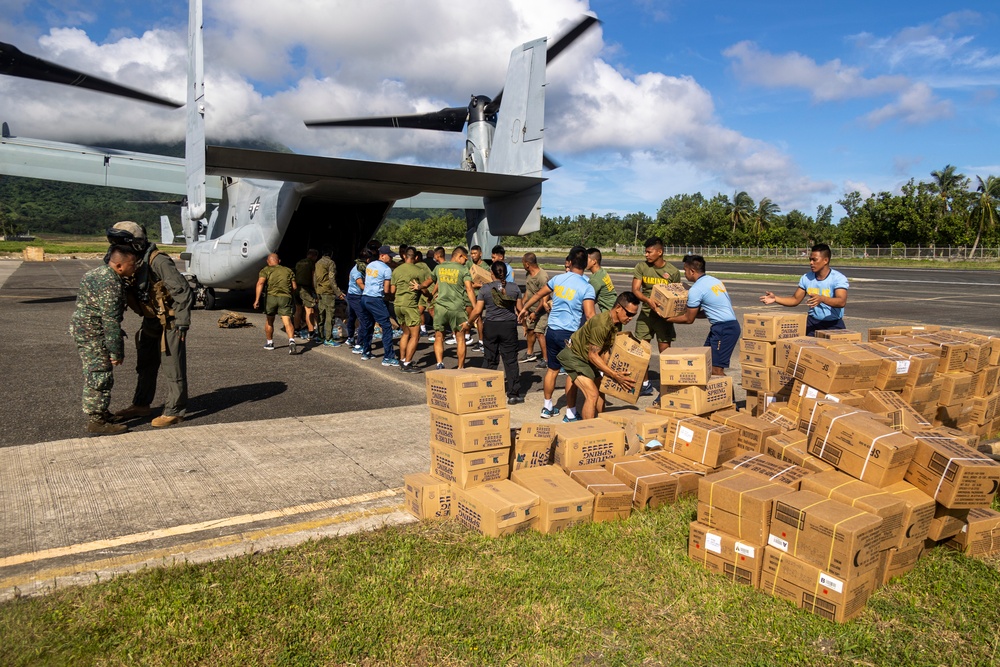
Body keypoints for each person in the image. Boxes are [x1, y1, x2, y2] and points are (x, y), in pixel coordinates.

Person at [109, 221, 194, 429]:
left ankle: (175, 410)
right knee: (145, 364)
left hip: (170, 322)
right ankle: (141, 404)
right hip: (150, 320)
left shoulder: (158, 261)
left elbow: (182, 291)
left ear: (135, 244)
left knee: (171, 365)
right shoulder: (133, 262)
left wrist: (182, 322)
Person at [518, 246, 596, 422]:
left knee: (552, 370)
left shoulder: (558, 279)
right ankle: (570, 412)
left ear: (569, 262)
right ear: (585, 264)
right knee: (571, 373)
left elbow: (539, 294)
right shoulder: (586, 287)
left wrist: (524, 308)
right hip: (570, 335)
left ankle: (547, 407)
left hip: (551, 331)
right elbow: (590, 315)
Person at [71, 245, 139, 435]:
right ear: (119, 266)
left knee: (96, 372)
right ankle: (97, 421)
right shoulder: (111, 283)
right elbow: (110, 321)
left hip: (84, 329)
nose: (134, 268)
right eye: (132, 265)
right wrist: (116, 351)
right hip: (94, 333)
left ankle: (102, 412)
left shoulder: (96, 273)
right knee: (99, 374)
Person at [556, 291, 640, 419]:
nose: (630, 318)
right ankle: (589, 433)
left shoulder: (617, 324)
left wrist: (608, 372)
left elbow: (605, 350)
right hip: (574, 357)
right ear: (618, 308)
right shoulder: (601, 324)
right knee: (592, 395)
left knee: (601, 390)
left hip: (587, 359)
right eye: (629, 314)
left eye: (633, 315)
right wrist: (614, 375)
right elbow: (593, 355)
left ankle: (601, 425)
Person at [664, 255, 741, 377]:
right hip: (726, 326)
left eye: (685, 270)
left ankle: (728, 396)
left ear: (692, 271)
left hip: (724, 329)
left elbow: (689, 319)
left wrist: (667, 319)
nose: (685, 273)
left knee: (716, 370)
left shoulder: (696, 289)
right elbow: (710, 310)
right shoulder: (714, 281)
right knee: (707, 363)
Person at [464, 261, 524, 403]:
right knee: (510, 360)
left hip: (491, 326)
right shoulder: (514, 288)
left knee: (490, 359)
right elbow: (520, 310)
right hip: (508, 326)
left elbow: (478, 311)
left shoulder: (485, 289)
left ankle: (485, 390)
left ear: (491, 274)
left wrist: (468, 323)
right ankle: (513, 394)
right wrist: (526, 323)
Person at [760, 243, 849, 336]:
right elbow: (795, 299)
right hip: (812, 323)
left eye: (814, 260)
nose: (811, 263)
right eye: (810, 259)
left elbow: (841, 301)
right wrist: (775, 299)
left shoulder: (838, 278)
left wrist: (822, 299)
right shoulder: (806, 278)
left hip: (833, 325)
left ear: (825, 260)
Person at [631, 236, 681, 397]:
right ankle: (644, 384)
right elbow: (636, 289)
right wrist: (648, 301)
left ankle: (666, 387)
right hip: (645, 316)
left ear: (660, 252)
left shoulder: (672, 272)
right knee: (642, 351)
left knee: (665, 353)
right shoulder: (641, 267)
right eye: (645, 252)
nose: (646, 255)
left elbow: (676, 295)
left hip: (664, 319)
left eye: (649, 252)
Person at [416, 246, 477, 370]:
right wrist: (476, 309)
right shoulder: (463, 269)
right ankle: (460, 367)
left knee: (439, 336)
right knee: (460, 339)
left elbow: (428, 282)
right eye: (465, 258)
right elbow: (469, 289)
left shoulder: (439, 268)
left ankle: (439, 363)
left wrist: (418, 286)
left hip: (440, 307)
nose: (466, 261)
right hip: (457, 308)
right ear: (459, 256)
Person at [359, 245, 399, 366]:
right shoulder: (387, 269)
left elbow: (367, 281)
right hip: (376, 299)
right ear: (382, 255)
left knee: (368, 325)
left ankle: (366, 351)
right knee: (386, 326)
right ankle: (388, 357)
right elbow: (386, 290)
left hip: (365, 297)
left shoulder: (370, 265)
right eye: (389, 256)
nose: (391, 258)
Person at [391, 247, 428, 372]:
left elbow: (392, 291)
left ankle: (402, 359)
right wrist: (429, 296)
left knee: (405, 333)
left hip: (397, 305)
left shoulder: (396, 270)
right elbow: (423, 288)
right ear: (416, 257)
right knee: (415, 336)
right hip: (410, 306)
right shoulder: (419, 271)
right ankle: (407, 363)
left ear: (404, 256)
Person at [254, 253, 298, 353]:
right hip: (285, 297)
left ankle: (270, 343)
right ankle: (291, 341)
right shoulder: (288, 270)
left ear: (268, 261)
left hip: (271, 298)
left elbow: (260, 283)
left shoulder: (265, 270)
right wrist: (288, 294)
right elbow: (294, 287)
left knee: (270, 320)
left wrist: (257, 300)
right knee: (287, 321)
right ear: (279, 261)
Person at [520, 252, 550, 369]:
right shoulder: (528, 274)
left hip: (540, 310)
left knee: (539, 333)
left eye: (523, 263)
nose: (523, 265)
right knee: (530, 330)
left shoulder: (542, 276)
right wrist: (523, 306)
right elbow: (528, 292)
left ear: (527, 264)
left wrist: (536, 312)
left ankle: (546, 359)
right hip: (531, 309)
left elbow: (544, 297)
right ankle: (529, 353)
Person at [314, 248, 345, 347]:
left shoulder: (318, 262)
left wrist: (316, 290)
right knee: (329, 316)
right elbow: (332, 279)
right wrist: (338, 292)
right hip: (328, 292)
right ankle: (328, 339)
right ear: (331, 254)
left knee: (321, 314)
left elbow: (315, 278)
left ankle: (320, 336)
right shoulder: (331, 263)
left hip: (319, 290)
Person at [293, 249, 319, 340]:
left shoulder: (299, 262)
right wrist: (316, 290)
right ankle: (311, 332)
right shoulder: (311, 264)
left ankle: (296, 330)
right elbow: (313, 278)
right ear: (314, 256)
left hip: (296, 288)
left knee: (298, 309)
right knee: (309, 310)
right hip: (305, 289)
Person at [346, 249, 368, 350]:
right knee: (363, 319)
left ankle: (350, 337)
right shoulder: (357, 271)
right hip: (355, 297)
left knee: (352, 317)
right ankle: (359, 344)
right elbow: (360, 285)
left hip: (352, 295)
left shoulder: (357, 267)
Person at [586, 247, 617, 312]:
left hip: (609, 313)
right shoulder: (602, 272)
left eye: (586, 259)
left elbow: (588, 300)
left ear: (594, 261)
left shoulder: (595, 279)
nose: (583, 262)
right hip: (614, 308)